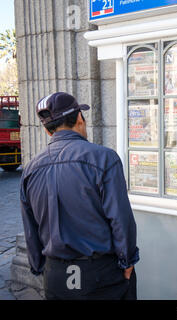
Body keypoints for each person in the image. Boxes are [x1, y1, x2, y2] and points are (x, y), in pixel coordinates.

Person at [20, 92, 139, 300]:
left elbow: (30, 228)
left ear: (49, 132)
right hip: (101, 274)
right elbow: (120, 217)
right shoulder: (103, 158)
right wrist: (127, 260)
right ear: (79, 119)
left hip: (56, 276)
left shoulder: (30, 169)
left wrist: (39, 266)